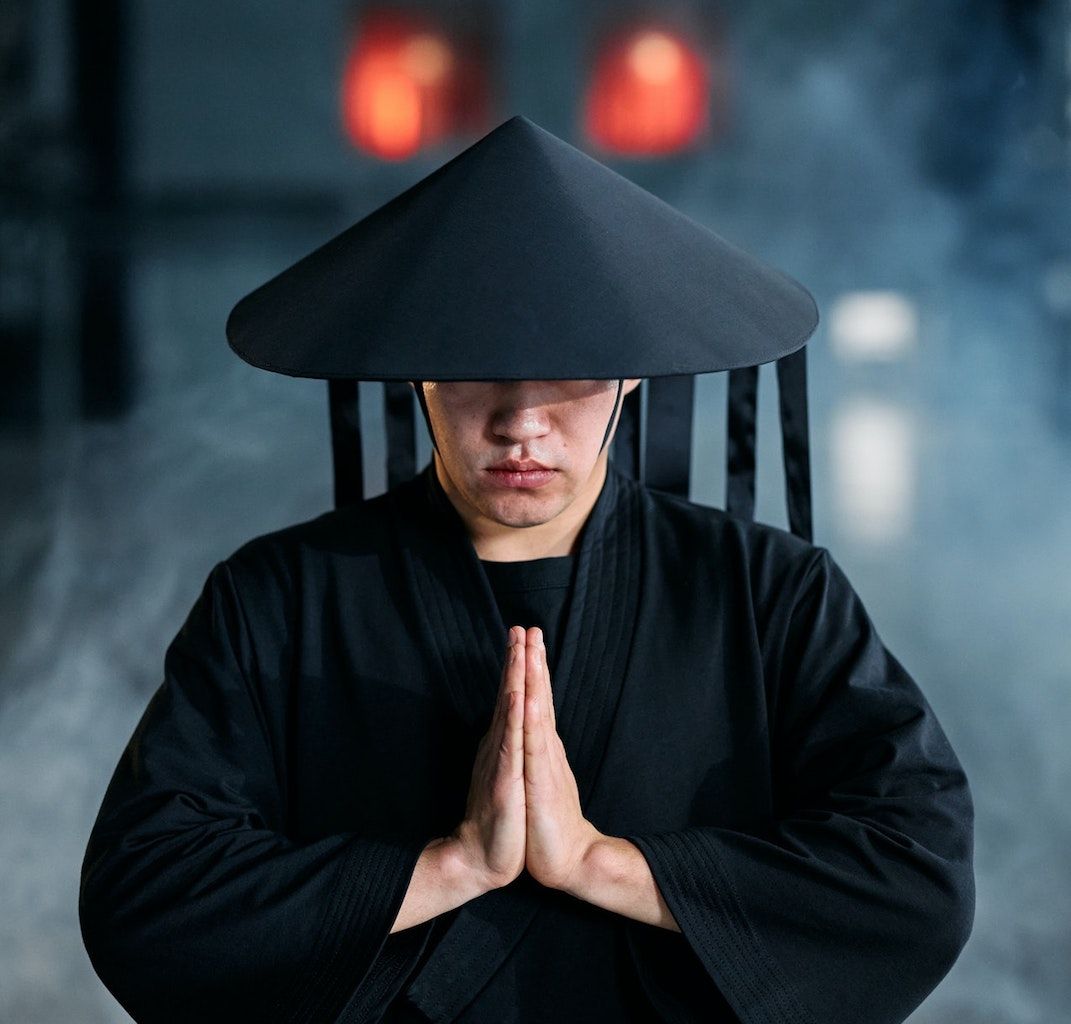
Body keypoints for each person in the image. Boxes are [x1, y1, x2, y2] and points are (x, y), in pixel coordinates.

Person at [79, 115, 974, 1024]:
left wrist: (601, 865)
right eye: (473, 369)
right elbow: (146, 901)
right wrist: (448, 867)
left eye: (569, 368)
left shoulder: (766, 592)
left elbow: (912, 875)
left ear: (632, 373)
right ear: (414, 372)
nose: (521, 423)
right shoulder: (279, 597)